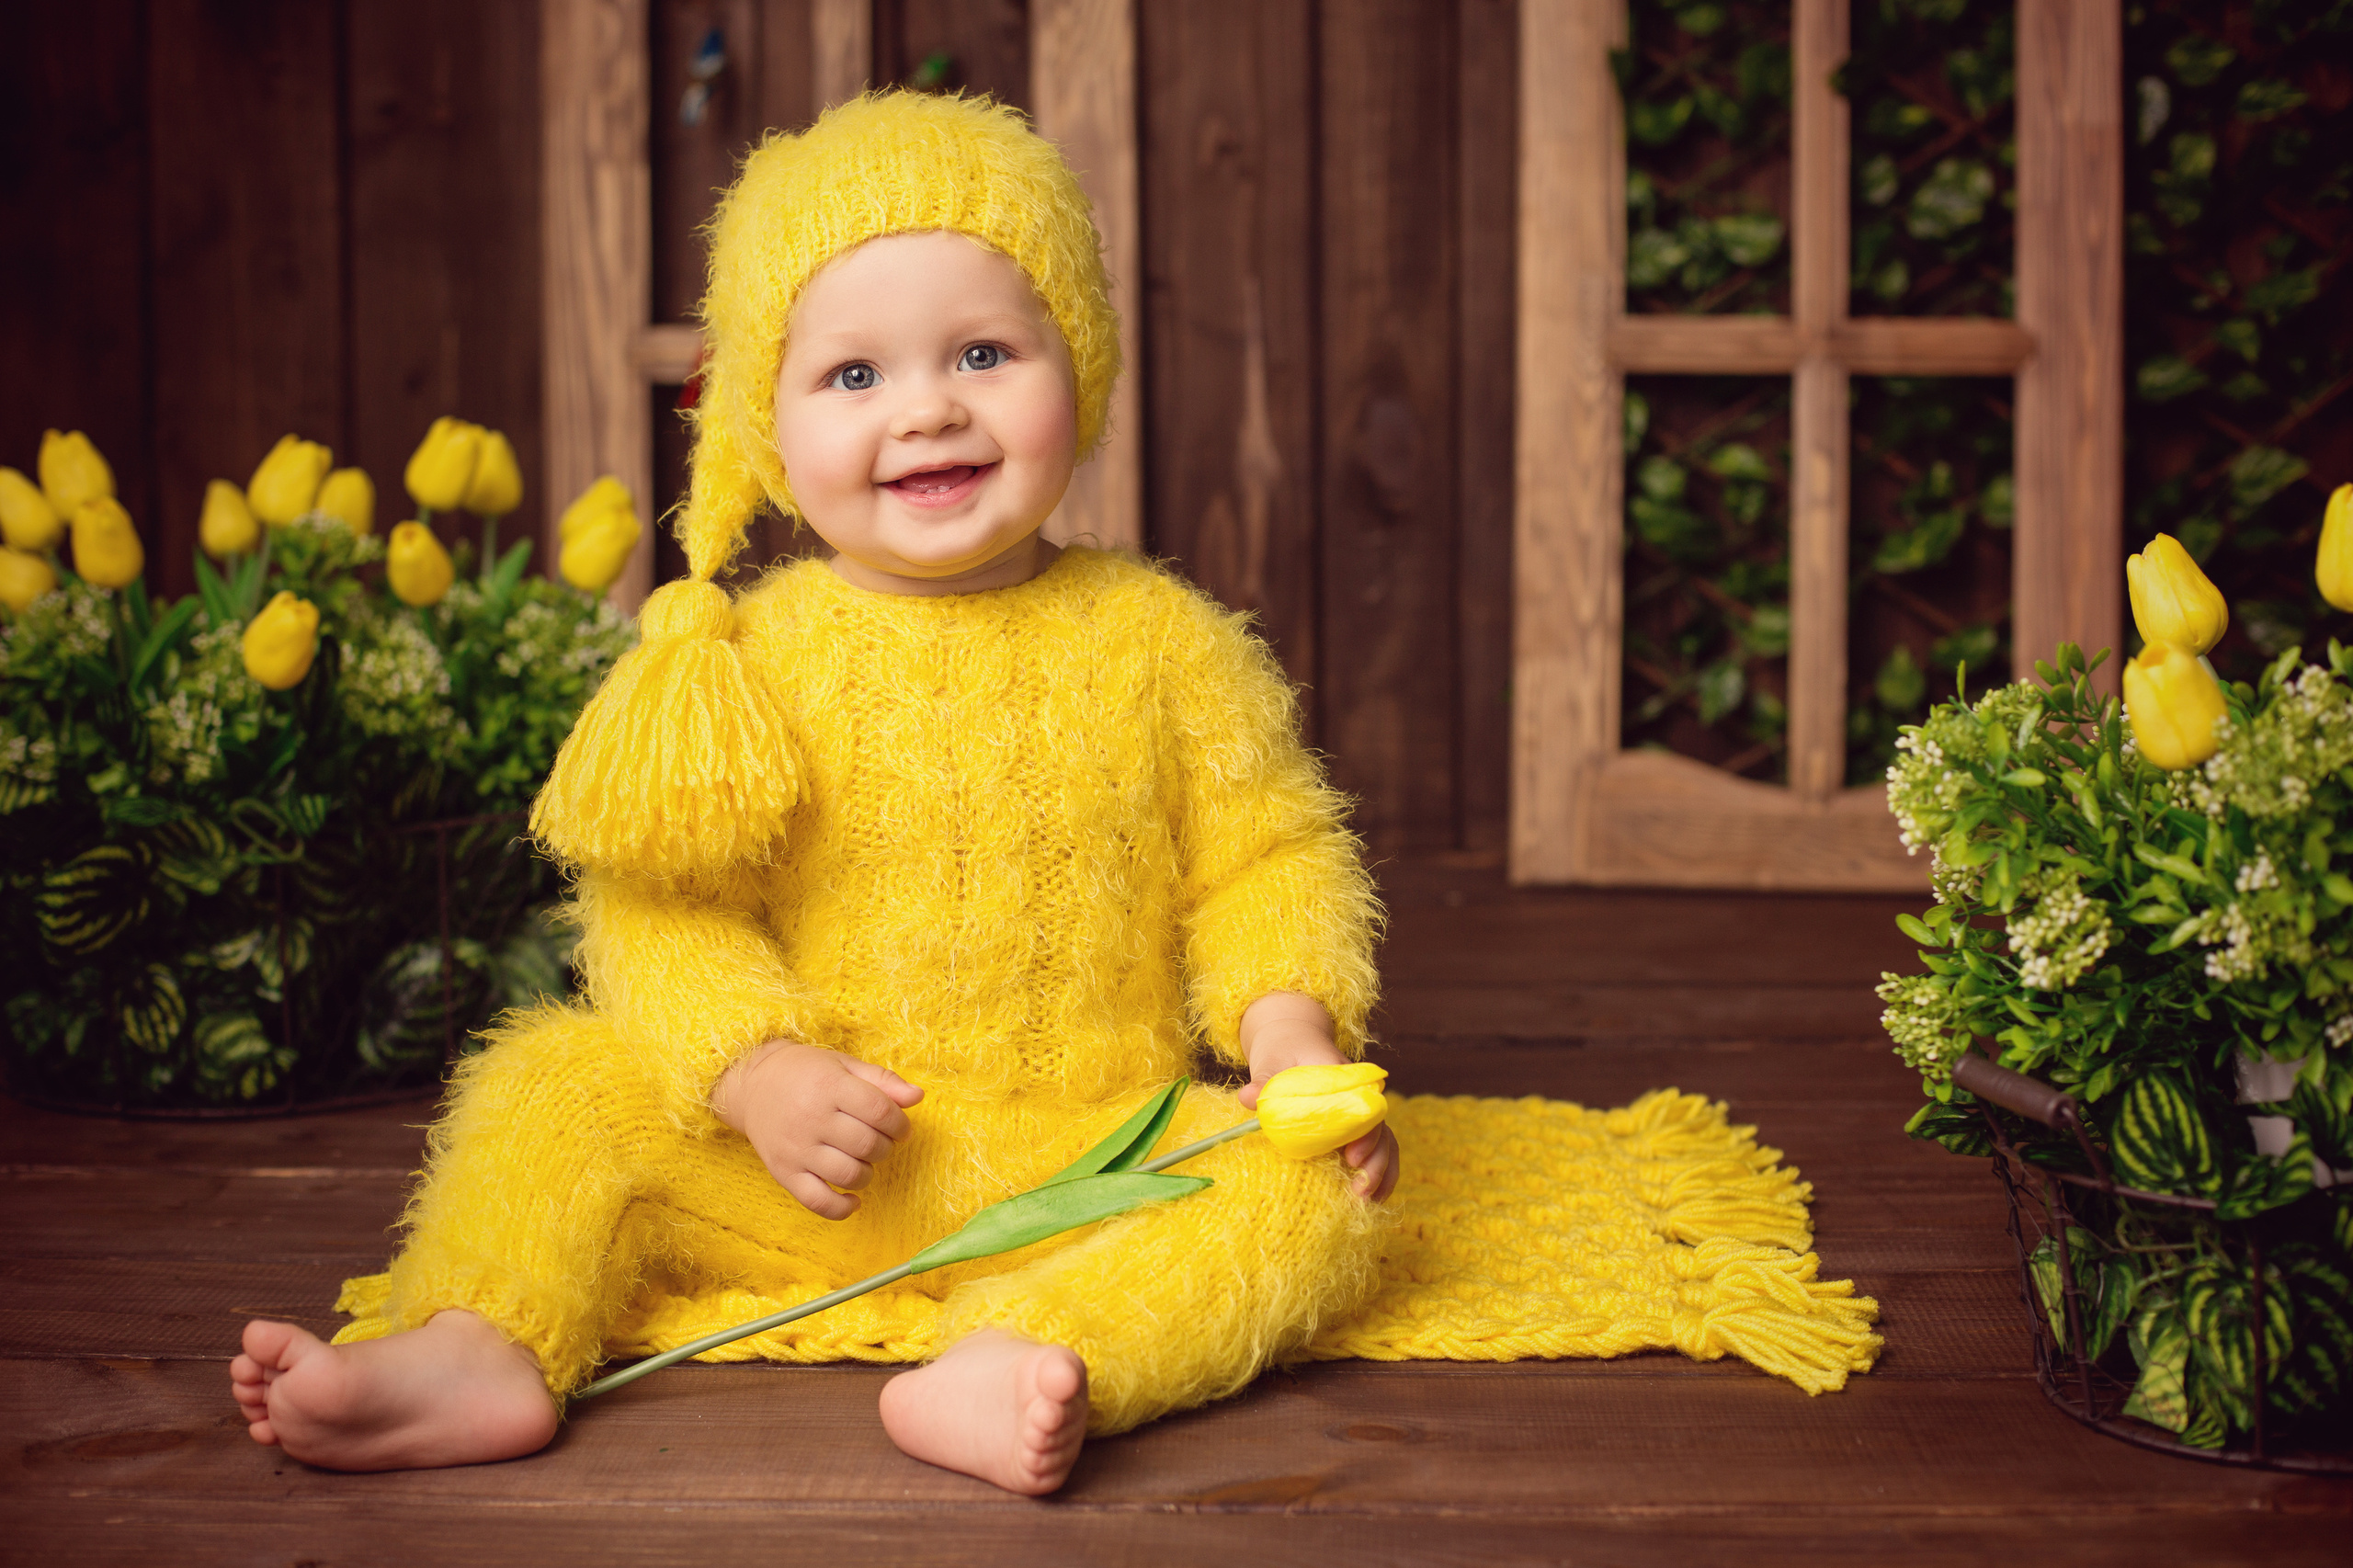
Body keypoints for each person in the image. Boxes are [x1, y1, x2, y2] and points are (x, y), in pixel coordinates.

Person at [229, 91, 1398, 1495]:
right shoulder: (753, 656)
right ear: (765, 423)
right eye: (854, 376)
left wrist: (1284, 1024)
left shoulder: (1164, 639)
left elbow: (1267, 853)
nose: (929, 410)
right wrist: (757, 1070)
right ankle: (487, 1336)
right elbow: (659, 914)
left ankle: (1021, 1349)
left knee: (1321, 1189)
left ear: (1076, 366)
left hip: (1092, 1167)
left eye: (982, 352)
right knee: (559, 1079)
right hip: (811, 1166)